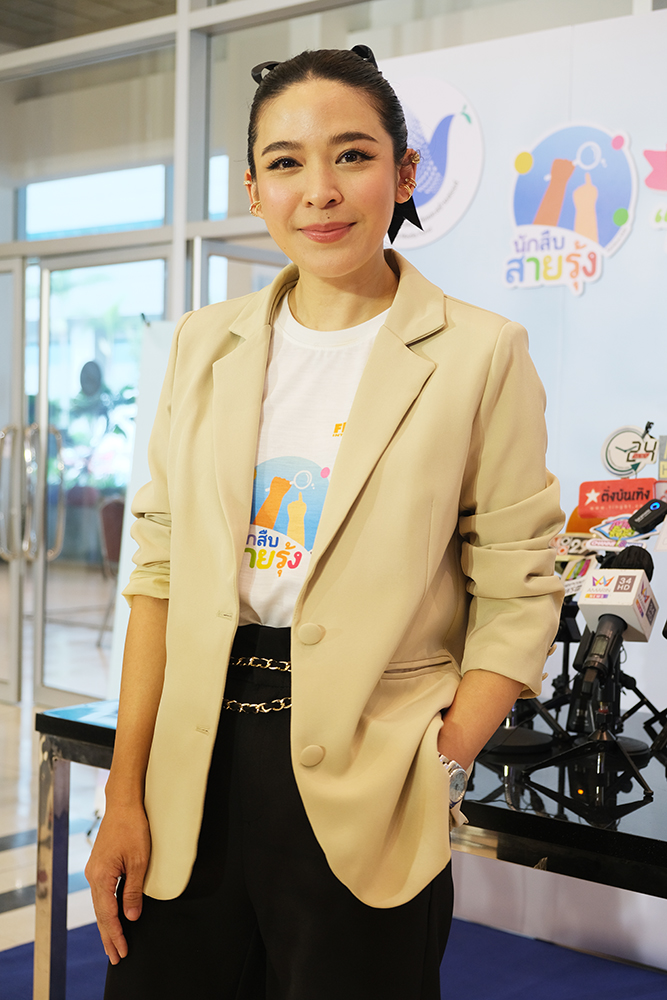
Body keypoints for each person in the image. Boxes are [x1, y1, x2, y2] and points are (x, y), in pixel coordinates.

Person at [86, 45, 564, 1000]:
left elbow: (518, 587)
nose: (320, 190)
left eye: (351, 154)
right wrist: (124, 790)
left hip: (368, 768)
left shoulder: (478, 353)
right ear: (254, 190)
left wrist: (437, 760)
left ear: (404, 172)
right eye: (286, 162)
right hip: (191, 764)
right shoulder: (201, 344)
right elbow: (160, 571)